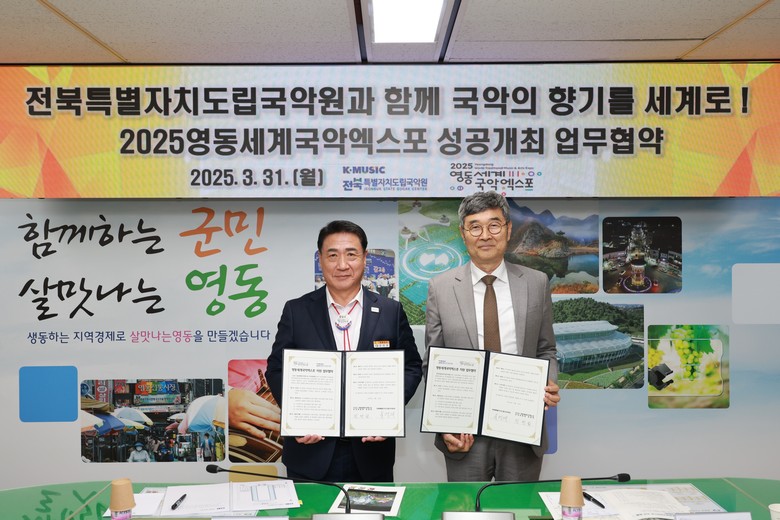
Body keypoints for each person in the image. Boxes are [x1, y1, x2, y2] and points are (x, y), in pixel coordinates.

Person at [266, 220, 423, 483]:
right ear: (320, 259)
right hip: (310, 452)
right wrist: (297, 418)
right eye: (332, 255)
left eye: (351, 254)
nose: (342, 265)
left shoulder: (390, 311)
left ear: (365, 258)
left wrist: (389, 413)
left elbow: (411, 367)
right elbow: (276, 369)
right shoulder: (297, 310)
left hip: (371, 452)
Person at [424, 191, 561, 482]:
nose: (485, 235)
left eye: (494, 225)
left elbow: (546, 349)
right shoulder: (441, 287)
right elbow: (433, 364)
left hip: (521, 428)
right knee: (466, 505)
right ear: (463, 234)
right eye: (475, 227)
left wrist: (549, 382)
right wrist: (444, 424)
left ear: (508, 230)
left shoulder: (536, 283)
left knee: (519, 505)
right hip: (465, 432)